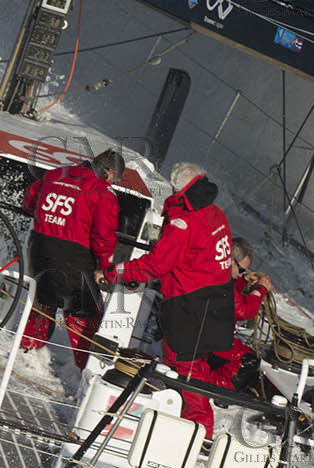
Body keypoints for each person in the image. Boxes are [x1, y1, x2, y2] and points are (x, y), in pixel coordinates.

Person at [98, 161, 234, 439]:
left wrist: (114, 272)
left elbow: (155, 265)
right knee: (193, 369)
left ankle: (199, 436)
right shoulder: (215, 212)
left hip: (190, 309)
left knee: (187, 373)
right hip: (217, 304)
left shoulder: (184, 222)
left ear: (177, 190)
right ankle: (183, 427)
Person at [20, 149, 123, 370]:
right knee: (87, 314)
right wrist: (105, 269)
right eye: (114, 180)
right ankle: (85, 371)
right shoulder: (103, 192)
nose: (112, 183)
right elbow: (103, 237)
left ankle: (25, 353)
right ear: (108, 172)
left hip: (38, 250)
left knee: (43, 301)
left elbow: (29, 200)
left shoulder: (55, 174)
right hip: (73, 258)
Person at [207, 236, 273, 391]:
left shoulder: (217, 273)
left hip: (210, 335)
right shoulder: (218, 280)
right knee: (248, 361)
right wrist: (260, 290)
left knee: (249, 353)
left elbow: (230, 297)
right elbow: (242, 311)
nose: (240, 274)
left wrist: (242, 281)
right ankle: (218, 390)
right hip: (207, 340)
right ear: (230, 261)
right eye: (241, 270)